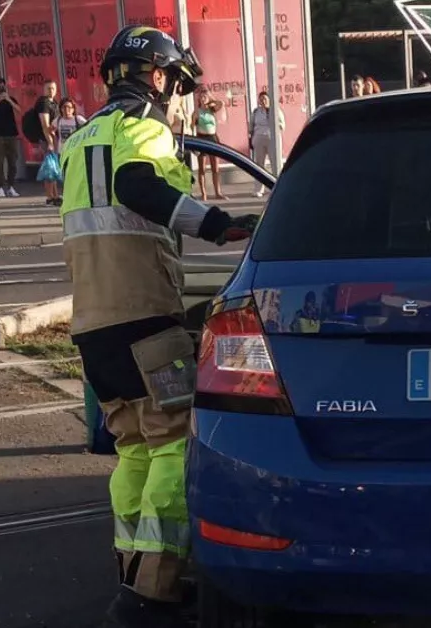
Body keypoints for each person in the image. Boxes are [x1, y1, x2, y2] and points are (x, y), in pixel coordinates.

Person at [58, 25, 258, 627]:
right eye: (177, 84)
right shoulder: (144, 129)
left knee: (134, 451)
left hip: (94, 327)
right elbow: (137, 186)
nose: (177, 98)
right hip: (147, 321)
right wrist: (220, 223)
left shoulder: (79, 139)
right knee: (173, 446)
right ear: (161, 77)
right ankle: (157, 589)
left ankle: (131, 570)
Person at [192, 85, 225, 201]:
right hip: (202, 138)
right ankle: (204, 193)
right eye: (201, 97)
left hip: (213, 137)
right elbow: (192, 127)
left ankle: (218, 192)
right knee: (202, 169)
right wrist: (194, 143)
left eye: (204, 97)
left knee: (215, 168)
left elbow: (221, 103)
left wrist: (211, 98)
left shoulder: (212, 109)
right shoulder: (197, 112)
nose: (203, 99)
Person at [249, 90, 284, 198]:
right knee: (259, 165)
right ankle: (258, 189)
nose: (263, 101)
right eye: (261, 99)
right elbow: (251, 127)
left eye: (265, 99)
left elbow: (282, 124)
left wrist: (275, 123)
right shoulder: (256, 112)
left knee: (276, 164)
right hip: (259, 139)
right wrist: (251, 139)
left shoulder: (275, 110)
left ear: (269, 100)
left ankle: (277, 187)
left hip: (272, 139)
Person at [34, 81, 61, 205]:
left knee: (54, 167)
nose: (51, 91)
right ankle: (50, 197)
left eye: (53, 88)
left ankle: (55, 195)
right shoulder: (44, 103)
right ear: (44, 90)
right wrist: (50, 142)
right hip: (47, 139)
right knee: (49, 168)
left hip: (54, 138)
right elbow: (45, 124)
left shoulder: (54, 102)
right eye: (49, 88)